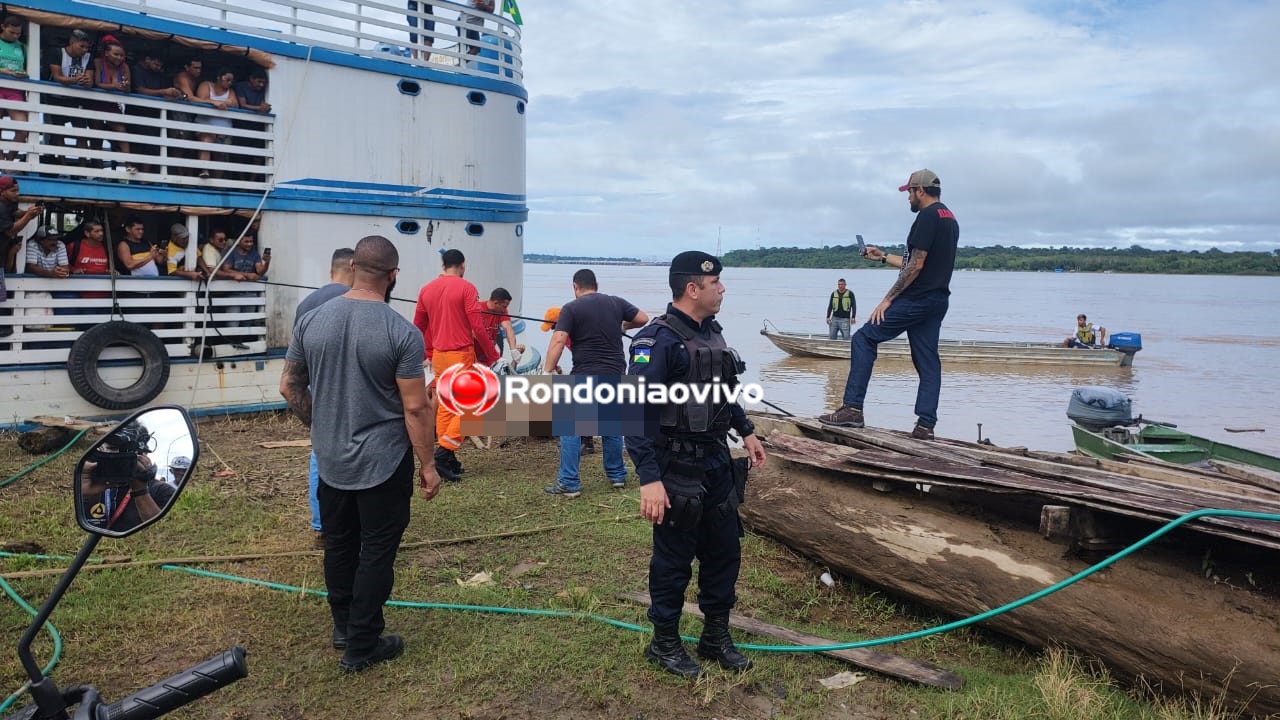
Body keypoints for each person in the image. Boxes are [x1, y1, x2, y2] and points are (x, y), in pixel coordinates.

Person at [280, 234, 439, 673]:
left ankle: (344, 627)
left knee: (340, 544)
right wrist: (428, 464)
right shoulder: (401, 332)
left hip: (330, 460)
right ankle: (362, 644)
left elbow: (289, 386)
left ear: (351, 268)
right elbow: (414, 406)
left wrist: (323, 425)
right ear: (393, 276)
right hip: (383, 462)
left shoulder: (311, 320)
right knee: (377, 550)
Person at [625, 250, 767, 679]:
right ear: (693, 288)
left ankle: (715, 637)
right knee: (673, 561)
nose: (722, 288)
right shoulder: (658, 339)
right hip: (675, 467)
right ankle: (664, 643)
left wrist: (746, 430)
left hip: (717, 462)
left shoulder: (713, 334)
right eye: (715, 283)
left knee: (725, 552)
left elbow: (726, 389)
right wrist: (649, 479)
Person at [819, 169, 959, 441]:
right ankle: (925, 426)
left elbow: (916, 266)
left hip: (915, 299)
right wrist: (882, 256)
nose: (908, 197)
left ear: (920, 190)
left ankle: (852, 409)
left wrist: (888, 299)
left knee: (863, 339)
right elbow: (915, 261)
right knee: (928, 362)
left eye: (909, 192)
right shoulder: (949, 218)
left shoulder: (926, 217)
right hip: (937, 301)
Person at [542, 269, 648, 497]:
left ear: (575, 287)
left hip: (585, 374)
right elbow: (643, 318)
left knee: (570, 428)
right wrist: (622, 327)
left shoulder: (571, 308)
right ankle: (617, 475)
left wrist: (548, 371)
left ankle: (569, 483)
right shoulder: (615, 302)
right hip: (616, 371)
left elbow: (559, 339)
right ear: (596, 284)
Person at [412, 248, 499, 481]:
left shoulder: (426, 289)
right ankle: (444, 453)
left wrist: (424, 354)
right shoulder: (467, 288)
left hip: (439, 356)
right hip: (460, 355)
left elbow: (417, 327)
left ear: (443, 265)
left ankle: (447, 457)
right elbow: (478, 327)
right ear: (462, 265)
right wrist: (493, 355)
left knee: (446, 405)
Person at [293, 247, 355, 544]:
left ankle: (321, 525)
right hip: (354, 389)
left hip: (318, 388)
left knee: (320, 455)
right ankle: (354, 523)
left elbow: (297, 362)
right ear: (353, 267)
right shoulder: (356, 300)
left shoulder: (306, 304)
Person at [80, 422, 175, 533]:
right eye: (109, 450)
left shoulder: (162, 491)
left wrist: (141, 491)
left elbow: (163, 534)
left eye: (124, 454)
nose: (115, 459)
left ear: (142, 455)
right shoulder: (92, 482)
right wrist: (82, 493)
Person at [42, 29, 95, 165]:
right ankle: (62, 164)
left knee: (82, 133)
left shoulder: (88, 58)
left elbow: (90, 81)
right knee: (58, 132)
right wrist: (76, 80)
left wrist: (86, 81)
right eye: (81, 46)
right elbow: (57, 76)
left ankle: (82, 167)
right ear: (72, 42)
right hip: (56, 98)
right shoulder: (57, 53)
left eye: (87, 47)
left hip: (76, 100)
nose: (84, 50)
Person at [1, 175, 42, 326]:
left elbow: (15, 212)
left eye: (17, 190)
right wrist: (29, 216)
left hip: (3, 257)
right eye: (13, 191)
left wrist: (29, 212)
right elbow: (10, 231)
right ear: (2, 192)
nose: (16, 193)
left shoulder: (8, 202)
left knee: (2, 298)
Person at [90, 36, 133, 169]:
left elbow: (129, 89)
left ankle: (128, 164)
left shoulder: (124, 67)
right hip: (96, 102)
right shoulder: (98, 63)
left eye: (121, 55)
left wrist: (124, 86)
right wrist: (114, 86)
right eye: (116, 54)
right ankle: (98, 169)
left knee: (121, 131)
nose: (119, 58)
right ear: (106, 53)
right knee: (97, 136)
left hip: (113, 104)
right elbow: (97, 84)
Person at [194, 68, 239, 178]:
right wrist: (215, 102)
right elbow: (201, 99)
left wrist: (219, 102)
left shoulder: (231, 91)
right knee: (206, 142)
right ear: (219, 77)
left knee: (221, 155)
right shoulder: (206, 85)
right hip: (205, 125)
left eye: (231, 81)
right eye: (227, 79)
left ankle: (217, 182)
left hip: (224, 128)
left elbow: (235, 104)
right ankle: (204, 170)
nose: (229, 83)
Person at [0, 16, 31, 160]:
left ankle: (10, 160)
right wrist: (3, 71)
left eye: (18, 33)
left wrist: (25, 73)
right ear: (3, 27)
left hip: (15, 90)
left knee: (23, 129)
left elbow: (30, 69)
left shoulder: (22, 46)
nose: (15, 36)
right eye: (12, 32)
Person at [477, 287, 524, 356]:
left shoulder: (502, 311)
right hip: (475, 352)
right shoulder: (477, 309)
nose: (505, 310)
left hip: (490, 352)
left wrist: (513, 350)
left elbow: (508, 328)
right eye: (504, 306)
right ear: (496, 303)